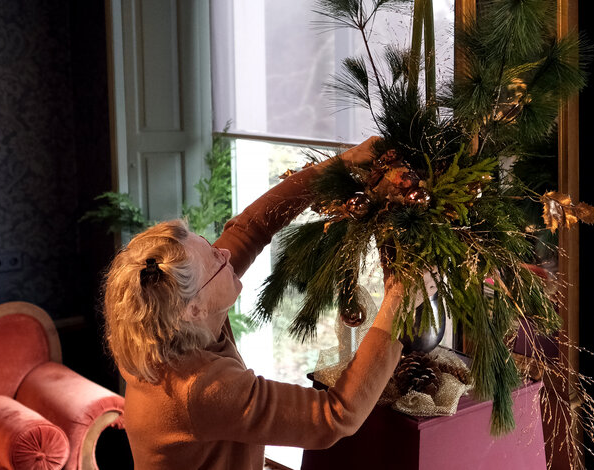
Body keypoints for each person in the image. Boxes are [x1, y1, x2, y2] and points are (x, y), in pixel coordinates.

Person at [102, 137, 404, 469]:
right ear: (193, 309)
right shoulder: (200, 388)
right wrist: (399, 300)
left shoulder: (171, 321)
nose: (226, 253)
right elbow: (334, 416)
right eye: (216, 261)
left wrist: (340, 164)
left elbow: (251, 228)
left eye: (208, 243)